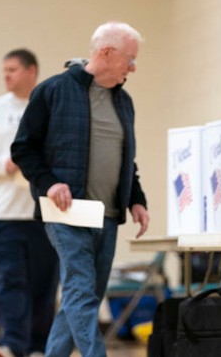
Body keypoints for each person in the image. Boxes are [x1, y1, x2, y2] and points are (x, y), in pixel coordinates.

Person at [11, 21, 150, 357]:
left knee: (81, 297)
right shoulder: (53, 91)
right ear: (106, 52)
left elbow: (125, 158)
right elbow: (23, 149)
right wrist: (49, 183)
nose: (133, 67)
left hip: (108, 216)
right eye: (129, 59)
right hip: (66, 212)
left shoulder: (124, 102)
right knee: (80, 291)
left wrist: (137, 199)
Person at [0, 49, 59, 357]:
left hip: (43, 211)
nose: (6, 75)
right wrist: (3, 165)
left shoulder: (50, 105)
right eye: (4, 69)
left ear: (31, 71)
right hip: (5, 213)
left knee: (43, 285)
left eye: (13, 69)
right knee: (9, 281)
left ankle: (38, 346)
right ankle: (11, 343)